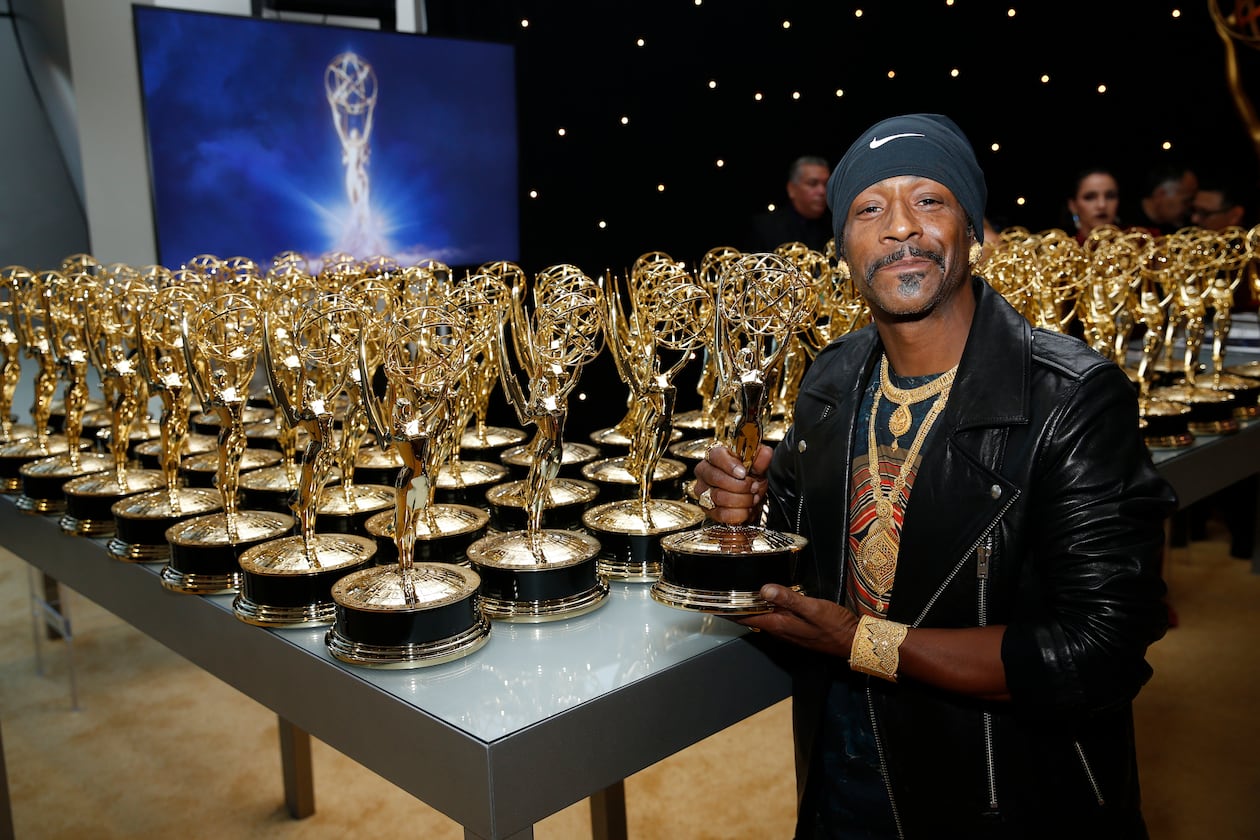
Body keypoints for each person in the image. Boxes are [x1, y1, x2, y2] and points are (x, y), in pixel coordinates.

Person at [694, 113, 1177, 838]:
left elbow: (1100, 646)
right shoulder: (829, 379)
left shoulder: (1070, 397)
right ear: (843, 248)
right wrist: (744, 519)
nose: (899, 229)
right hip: (840, 765)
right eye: (869, 208)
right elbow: (802, 565)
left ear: (971, 228)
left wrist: (866, 641)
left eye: (929, 200)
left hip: (998, 784)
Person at [748, 155, 833, 253]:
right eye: (813, 184)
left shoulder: (836, 227)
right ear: (791, 189)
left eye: (826, 184)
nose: (822, 191)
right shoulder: (765, 228)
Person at [1125, 163, 1198, 235]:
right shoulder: (1124, 222)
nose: (1189, 209)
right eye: (1185, 201)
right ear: (1160, 194)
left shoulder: (1184, 228)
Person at [1065, 166, 1122, 242]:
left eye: (1110, 196)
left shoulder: (1137, 244)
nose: (1102, 205)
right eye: (1090, 197)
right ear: (1073, 206)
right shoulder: (1063, 252)